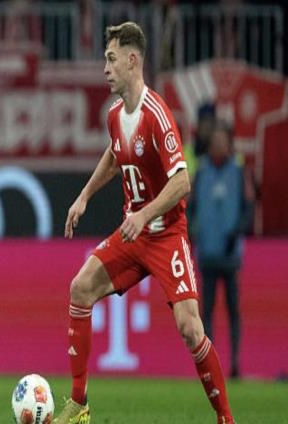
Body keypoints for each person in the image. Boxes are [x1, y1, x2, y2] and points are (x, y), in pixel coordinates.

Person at [55, 21, 235, 424]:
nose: (105, 68)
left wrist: (144, 214)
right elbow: (114, 155)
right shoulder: (115, 115)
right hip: (132, 234)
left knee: (191, 329)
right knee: (80, 288)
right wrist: (84, 196)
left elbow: (182, 181)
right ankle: (79, 405)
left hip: (165, 235)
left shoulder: (157, 115)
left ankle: (226, 419)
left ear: (132, 60)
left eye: (111, 59)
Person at [188, 123, 254, 379]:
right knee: (206, 312)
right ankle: (210, 365)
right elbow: (190, 207)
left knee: (233, 309)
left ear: (229, 144)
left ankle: (235, 362)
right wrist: (192, 232)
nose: (217, 146)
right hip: (207, 253)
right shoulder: (201, 172)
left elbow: (249, 209)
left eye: (221, 141)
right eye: (214, 141)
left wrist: (236, 232)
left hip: (230, 254)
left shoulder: (239, 173)